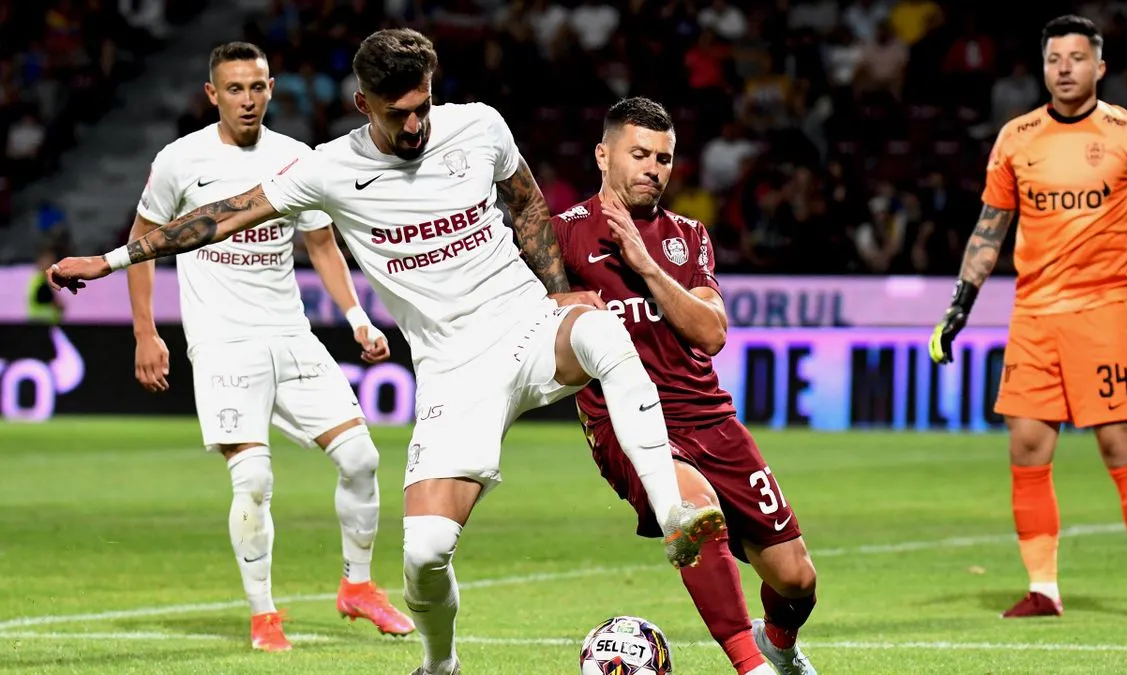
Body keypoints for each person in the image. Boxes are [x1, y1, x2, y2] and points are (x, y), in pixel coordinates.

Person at [47, 29, 724, 675]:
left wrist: (556, 291)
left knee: (601, 330)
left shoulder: (479, 126)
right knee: (425, 555)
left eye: (423, 106)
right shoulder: (327, 169)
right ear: (362, 103)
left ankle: (672, 509)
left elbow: (526, 204)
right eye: (398, 113)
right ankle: (439, 662)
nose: (414, 125)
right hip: (453, 371)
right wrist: (110, 260)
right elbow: (219, 216)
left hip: (523, 325)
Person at [123, 41, 414, 652]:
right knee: (253, 478)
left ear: (272, 89)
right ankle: (264, 617)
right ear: (212, 94)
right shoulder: (180, 160)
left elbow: (322, 246)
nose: (247, 99)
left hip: (291, 335)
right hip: (224, 344)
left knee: (362, 459)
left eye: (257, 87)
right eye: (234, 89)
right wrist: (146, 332)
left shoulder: (294, 158)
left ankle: (358, 587)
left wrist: (358, 319)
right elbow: (142, 244)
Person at [929, 15, 1127, 621]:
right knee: (1026, 446)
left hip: (1103, 309)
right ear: (1043, 68)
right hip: (1033, 314)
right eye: (1055, 60)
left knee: (1118, 444)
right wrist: (959, 306)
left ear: (1100, 67)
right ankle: (1043, 589)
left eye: (1077, 58)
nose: (1065, 69)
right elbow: (989, 229)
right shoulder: (1016, 138)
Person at [553, 97, 818, 675]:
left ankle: (778, 643)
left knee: (797, 580)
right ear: (603, 155)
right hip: (626, 423)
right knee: (694, 514)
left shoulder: (687, 236)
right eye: (639, 154)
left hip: (710, 419)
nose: (653, 168)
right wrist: (556, 302)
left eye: (664, 158)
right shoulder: (563, 236)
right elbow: (521, 320)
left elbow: (711, 332)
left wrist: (646, 265)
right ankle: (751, 666)